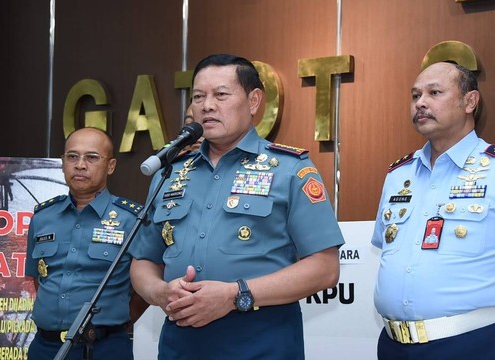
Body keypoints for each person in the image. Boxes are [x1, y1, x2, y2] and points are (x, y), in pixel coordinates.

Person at [130, 53, 344, 359]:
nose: (207, 106)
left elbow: (325, 268)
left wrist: (235, 295)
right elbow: (143, 262)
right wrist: (160, 293)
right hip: (181, 347)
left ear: (254, 101)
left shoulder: (289, 169)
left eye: (220, 95)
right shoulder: (171, 172)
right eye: (199, 97)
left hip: (260, 345)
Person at [371, 62, 495, 359]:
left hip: (481, 345)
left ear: (470, 102)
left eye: (435, 92)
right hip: (395, 346)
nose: (421, 102)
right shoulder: (398, 176)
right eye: (415, 95)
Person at [25, 127, 149, 359]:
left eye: (91, 157)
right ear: (63, 163)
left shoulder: (132, 219)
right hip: (46, 347)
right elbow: (39, 279)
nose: (80, 164)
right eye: (72, 156)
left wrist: (111, 325)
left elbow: (145, 288)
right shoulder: (43, 217)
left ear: (110, 166)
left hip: (104, 347)